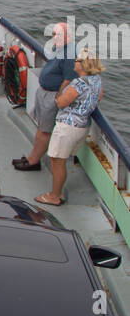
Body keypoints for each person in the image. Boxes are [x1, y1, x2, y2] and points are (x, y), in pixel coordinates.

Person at [35, 49, 104, 207]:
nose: (75, 62)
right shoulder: (97, 80)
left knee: (57, 160)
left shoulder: (79, 83)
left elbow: (61, 102)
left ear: (85, 65)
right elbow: (98, 97)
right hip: (82, 126)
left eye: (78, 60)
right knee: (61, 159)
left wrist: (60, 94)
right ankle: (56, 193)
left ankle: (54, 196)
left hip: (67, 127)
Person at [12, 21, 78, 172]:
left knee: (44, 130)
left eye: (59, 35)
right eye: (54, 34)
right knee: (41, 127)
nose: (55, 37)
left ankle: (33, 161)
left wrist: (58, 98)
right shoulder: (59, 48)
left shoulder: (70, 54)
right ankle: (32, 157)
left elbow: (69, 79)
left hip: (52, 96)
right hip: (44, 92)